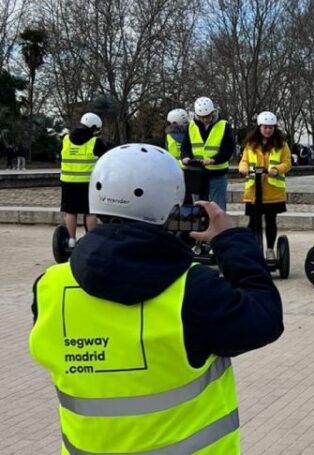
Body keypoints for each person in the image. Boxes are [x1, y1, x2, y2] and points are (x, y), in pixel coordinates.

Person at [29, 143, 284, 454]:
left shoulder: (49, 288)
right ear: (174, 210)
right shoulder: (193, 290)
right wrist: (229, 240)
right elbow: (265, 317)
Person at [239, 111, 292, 261]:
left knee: (270, 220)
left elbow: (287, 163)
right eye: (265, 127)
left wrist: (277, 169)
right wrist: (243, 168)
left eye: (271, 127)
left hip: (272, 191)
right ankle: (252, 249)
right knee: (253, 222)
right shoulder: (250, 145)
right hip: (254, 190)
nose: (268, 130)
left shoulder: (281, 144)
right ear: (259, 127)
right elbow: (244, 160)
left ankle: (269, 249)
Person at [59, 113, 108, 248]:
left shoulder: (66, 139)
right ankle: (90, 241)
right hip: (88, 182)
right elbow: (106, 158)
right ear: (93, 127)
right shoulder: (94, 142)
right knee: (90, 211)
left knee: (71, 211)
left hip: (68, 181)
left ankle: (71, 240)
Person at [181, 96, 235, 211]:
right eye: (202, 117)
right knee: (198, 208)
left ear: (213, 112)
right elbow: (185, 146)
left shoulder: (223, 125)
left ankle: (219, 229)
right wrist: (185, 157)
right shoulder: (191, 126)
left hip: (217, 172)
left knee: (218, 209)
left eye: (208, 116)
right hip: (196, 172)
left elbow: (228, 150)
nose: (205, 119)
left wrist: (214, 160)